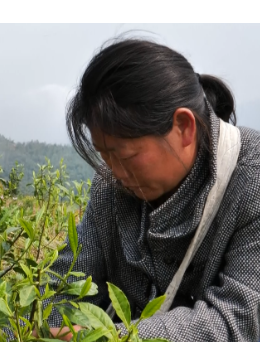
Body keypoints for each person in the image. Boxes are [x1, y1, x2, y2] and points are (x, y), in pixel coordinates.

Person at [44, 36, 260, 342]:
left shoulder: (252, 179)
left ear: (184, 127)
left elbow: (236, 320)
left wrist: (106, 338)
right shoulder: (111, 188)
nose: (115, 173)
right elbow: (66, 283)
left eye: (127, 156)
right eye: (105, 156)